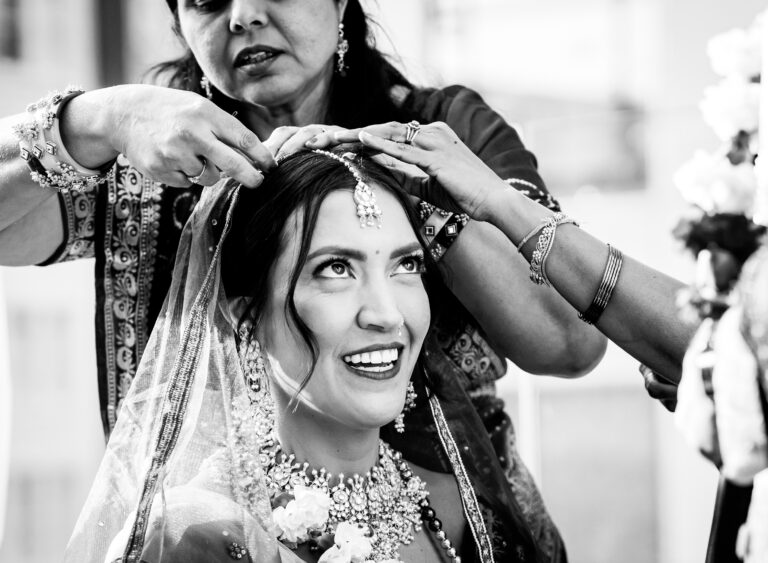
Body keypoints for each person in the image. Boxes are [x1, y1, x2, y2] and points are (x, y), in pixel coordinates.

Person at [0, 1, 607, 557]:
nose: (242, 16)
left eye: (406, 265)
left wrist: (425, 196)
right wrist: (95, 121)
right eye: (206, 1)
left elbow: (571, 343)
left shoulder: (444, 136)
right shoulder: (150, 155)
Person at [66, 146, 551, 563]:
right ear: (245, 316)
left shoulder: (458, 506)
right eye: (336, 268)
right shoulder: (196, 535)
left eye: (406, 265)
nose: (387, 315)